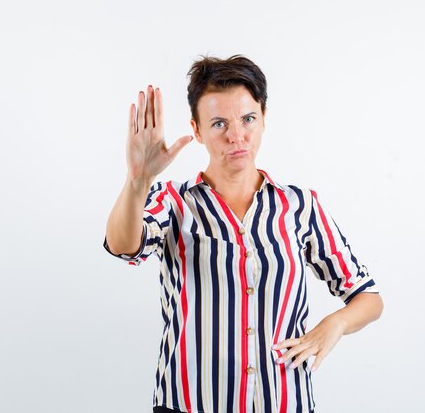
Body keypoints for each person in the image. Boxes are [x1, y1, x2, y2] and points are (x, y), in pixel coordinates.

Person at [103, 55, 383, 413]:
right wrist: (138, 181)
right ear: (198, 130)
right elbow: (123, 246)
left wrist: (335, 323)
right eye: (219, 124)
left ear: (264, 117)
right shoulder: (173, 201)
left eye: (248, 119)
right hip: (189, 404)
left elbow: (367, 297)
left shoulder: (300, 205)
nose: (237, 136)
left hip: (284, 403)